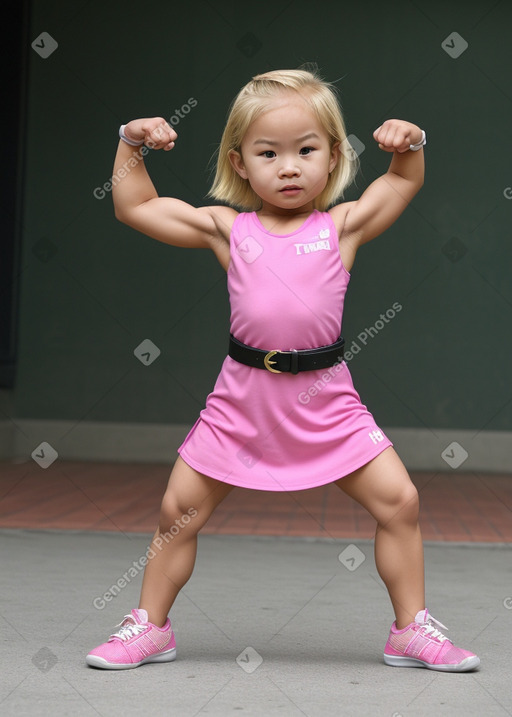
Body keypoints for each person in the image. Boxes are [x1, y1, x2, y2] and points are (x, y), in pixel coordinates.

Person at [86, 68, 480, 672]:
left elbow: (402, 182)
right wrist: (129, 142)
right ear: (240, 163)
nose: (289, 167)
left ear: (334, 156)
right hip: (242, 400)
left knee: (400, 501)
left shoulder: (342, 226)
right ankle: (150, 627)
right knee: (177, 512)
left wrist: (412, 143)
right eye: (268, 153)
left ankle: (409, 630)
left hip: (326, 399)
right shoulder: (227, 228)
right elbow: (133, 204)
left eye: (306, 150)